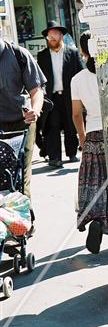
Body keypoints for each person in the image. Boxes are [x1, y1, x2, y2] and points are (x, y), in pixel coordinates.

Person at [0, 30, 46, 228]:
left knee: (20, 171)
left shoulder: (18, 55)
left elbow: (36, 90)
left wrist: (35, 111)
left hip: (23, 121)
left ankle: (23, 220)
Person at [71, 31, 108, 254]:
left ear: (83, 51)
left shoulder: (76, 79)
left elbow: (77, 115)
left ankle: (95, 219)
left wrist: (83, 139)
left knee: (94, 183)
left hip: (93, 133)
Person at [37, 20, 83, 168]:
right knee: (52, 125)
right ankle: (54, 157)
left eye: (54, 35)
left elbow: (80, 73)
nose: (52, 38)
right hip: (51, 97)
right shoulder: (42, 55)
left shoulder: (72, 53)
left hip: (69, 95)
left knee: (70, 124)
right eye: (49, 36)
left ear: (61, 35)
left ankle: (72, 152)